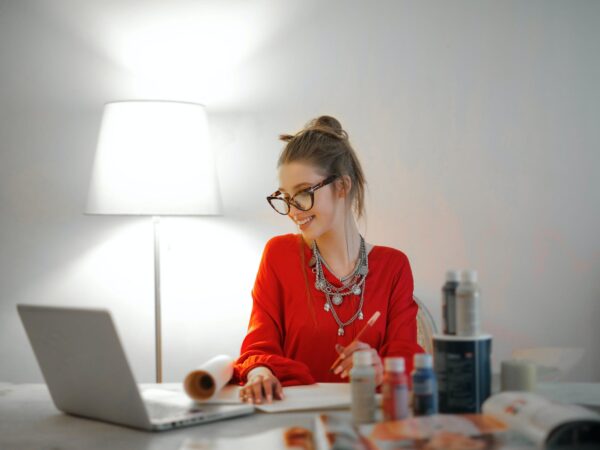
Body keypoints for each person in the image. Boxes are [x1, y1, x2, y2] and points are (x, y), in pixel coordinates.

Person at [232, 116, 423, 404]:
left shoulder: (393, 266)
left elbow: (407, 356)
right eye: (285, 196)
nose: (293, 211)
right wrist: (259, 372)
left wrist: (380, 366)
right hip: (293, 423)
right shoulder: (279, 255)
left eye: (304, 193)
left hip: (367, 422)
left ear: (342, 187)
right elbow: (258, 346)